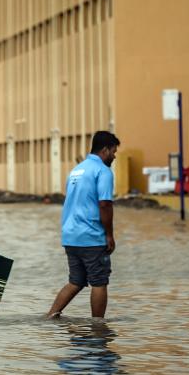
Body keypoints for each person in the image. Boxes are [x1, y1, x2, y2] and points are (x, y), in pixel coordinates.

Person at [47, 130, 120, 319]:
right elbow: (105, 204)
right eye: (113, 152)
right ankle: (98, 327)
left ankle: (50, 317)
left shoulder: (76, 170)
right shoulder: (103, 171)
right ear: (105, 150)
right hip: (91, 237)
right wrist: (109, 235)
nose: (114, 156)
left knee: (76, 281)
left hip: (70, 236)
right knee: (99, 282)